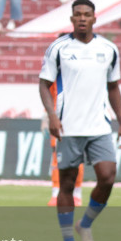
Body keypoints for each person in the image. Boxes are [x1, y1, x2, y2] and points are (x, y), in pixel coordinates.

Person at [39, 0, 121, 241]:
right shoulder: (58, 48)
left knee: (108, 177)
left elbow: (114, 87)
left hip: (99, 126)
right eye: (77, 14)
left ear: (94, 18)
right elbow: (44, 84)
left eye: (86, 14)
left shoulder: (109, 49)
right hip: (68, 128)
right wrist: (52, 116)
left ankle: (85, 224)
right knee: (66, 185)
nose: (82, 18)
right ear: (71, 19)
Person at [44, 80, 84, 208]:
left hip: (78, 118)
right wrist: (47, 117)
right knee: (57, 156)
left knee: (78, 156)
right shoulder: (55, 75)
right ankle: (56, 193)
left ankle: (77, 193)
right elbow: (48, 95)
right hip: (58, 119)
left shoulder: (80, 72)